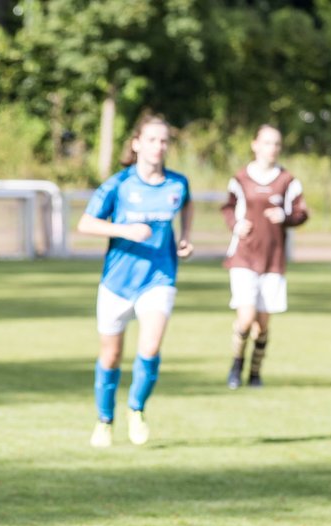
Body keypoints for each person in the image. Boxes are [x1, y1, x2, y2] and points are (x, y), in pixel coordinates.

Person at [78, 113, 193, 448]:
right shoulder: (119, 184)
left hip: (159, 277)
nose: (159, 146)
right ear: (137, 143)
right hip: (117, 281)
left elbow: (187, 206)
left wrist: (185, 237)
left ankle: (137, 409)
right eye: (152, 140)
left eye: (164, 141)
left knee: (151, 346)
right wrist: (124, 229)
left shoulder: (177, 184)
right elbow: (86, 224)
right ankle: (104, 419)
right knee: (111, 356)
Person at [221, 124, 308, 389]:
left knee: (262, 323)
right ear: (255, 144)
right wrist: (236, 225)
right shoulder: (241, 178)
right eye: (267, 143)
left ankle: (255, 373)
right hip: (244, 255)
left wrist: (286, 217)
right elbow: (228, 208)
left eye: (276, 144)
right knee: (245, 318)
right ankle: (236, 364)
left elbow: (301, 213)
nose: (272, 149)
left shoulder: (288, 181)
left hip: (273, 259)